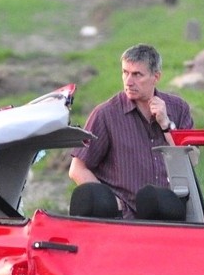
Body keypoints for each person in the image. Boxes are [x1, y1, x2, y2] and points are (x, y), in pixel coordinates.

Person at [69, 43, 194, 219]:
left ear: (156, 77)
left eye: (137, 74)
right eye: (125, 72)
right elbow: (77, 169)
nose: (128, 81)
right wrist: (110, 202)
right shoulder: (106, 114)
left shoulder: (178, 108)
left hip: (169, 219)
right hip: (124, 222)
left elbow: (192, 160)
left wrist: (166, 125)